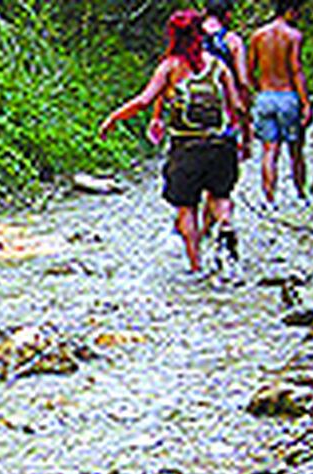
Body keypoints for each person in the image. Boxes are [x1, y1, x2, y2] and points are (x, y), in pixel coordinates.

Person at [99, 9, 246, 276]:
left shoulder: (170, 67)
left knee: (186, 206)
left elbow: (144, 101)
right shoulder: (217, 65)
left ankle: (195, 266)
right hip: (220, 145)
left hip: (186, 148)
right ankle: (225, 224)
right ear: (199, 34)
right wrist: (242, 137)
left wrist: (113, 117)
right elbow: (236, 105)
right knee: (220, 196)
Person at [247, 0, 313, 204]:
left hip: (265, 96)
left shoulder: (258, 36)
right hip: (287, 95)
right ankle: (301, 194)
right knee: (295, 149)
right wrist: (305, 102)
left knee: (269, 149)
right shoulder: (293, 36)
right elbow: (296, 70)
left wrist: (258, 89)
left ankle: (269, 198)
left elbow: (249, 71)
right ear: (290, 11)